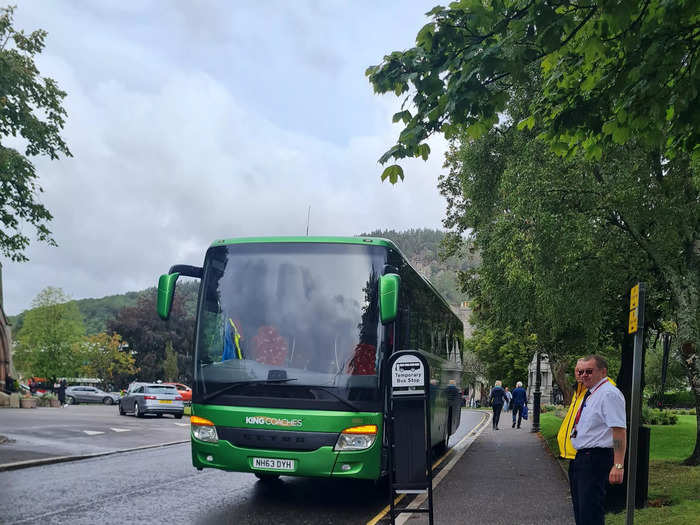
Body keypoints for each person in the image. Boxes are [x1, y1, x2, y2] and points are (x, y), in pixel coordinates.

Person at [569, 355, 626, 525]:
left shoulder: (608, 394)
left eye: (589, 371)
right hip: (582, 458)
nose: (583, 375)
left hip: (595, 459)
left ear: (603, 372)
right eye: (580, 372)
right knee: (582, 512)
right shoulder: (592, 392)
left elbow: (619, 431)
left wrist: (618, 465)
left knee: (590, 514)